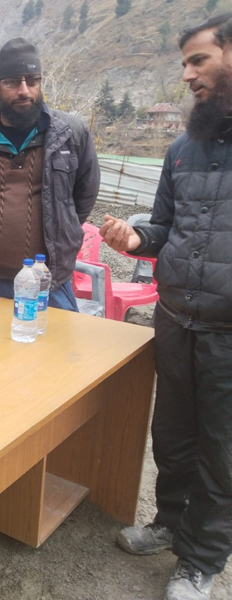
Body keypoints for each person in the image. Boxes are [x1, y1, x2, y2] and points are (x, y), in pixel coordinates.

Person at [101, 13, 232, 600]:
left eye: (198, 60)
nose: (187, 75)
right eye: (184, 63)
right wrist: (136, 240)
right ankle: (167, 525)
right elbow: (165, 227)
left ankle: (200, 562)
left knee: (222, 450)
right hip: (175, 319)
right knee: (173, 435)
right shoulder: (183, 149)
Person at [0, 38, 100, 310]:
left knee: (55, 350)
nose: (24, 91)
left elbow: (83, 197)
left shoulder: (71, 135)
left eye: (32, 81)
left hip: (47, 278)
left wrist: (60, 229)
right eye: (12, 83)